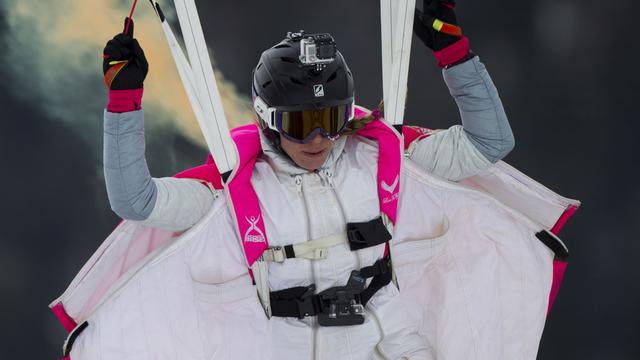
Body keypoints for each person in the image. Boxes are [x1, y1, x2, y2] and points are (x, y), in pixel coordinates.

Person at [59, 1, 567, 359]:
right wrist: (123, 103)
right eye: (301, 123)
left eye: (333, 119)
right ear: (268, 119)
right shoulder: (235, 193)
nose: (320, 138)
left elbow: (489, 143)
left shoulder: (383, 160)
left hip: (390, 345)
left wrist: (454, 54)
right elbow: (135, 200)